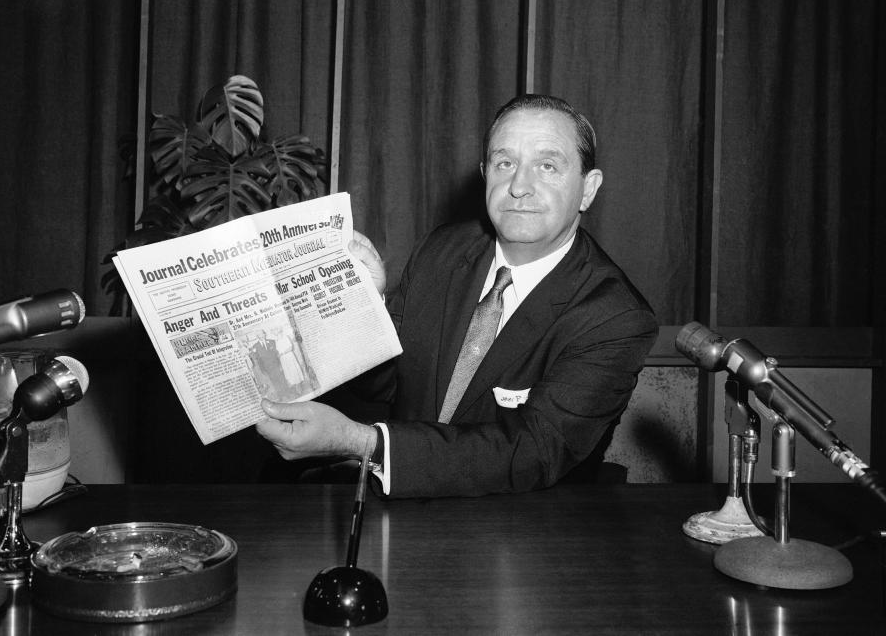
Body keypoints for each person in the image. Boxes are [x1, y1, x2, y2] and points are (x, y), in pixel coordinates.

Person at [256, 94, 658, 498]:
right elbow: (384, 387)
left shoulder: (616, 315)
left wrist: (362, 443)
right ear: (485, 174)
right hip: (398, 506)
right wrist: (367, 308)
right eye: (505, 163)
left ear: (588, 190)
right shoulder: (441, 250)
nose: (519, 186)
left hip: (524, 532)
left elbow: (534, 452)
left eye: (547, 166)